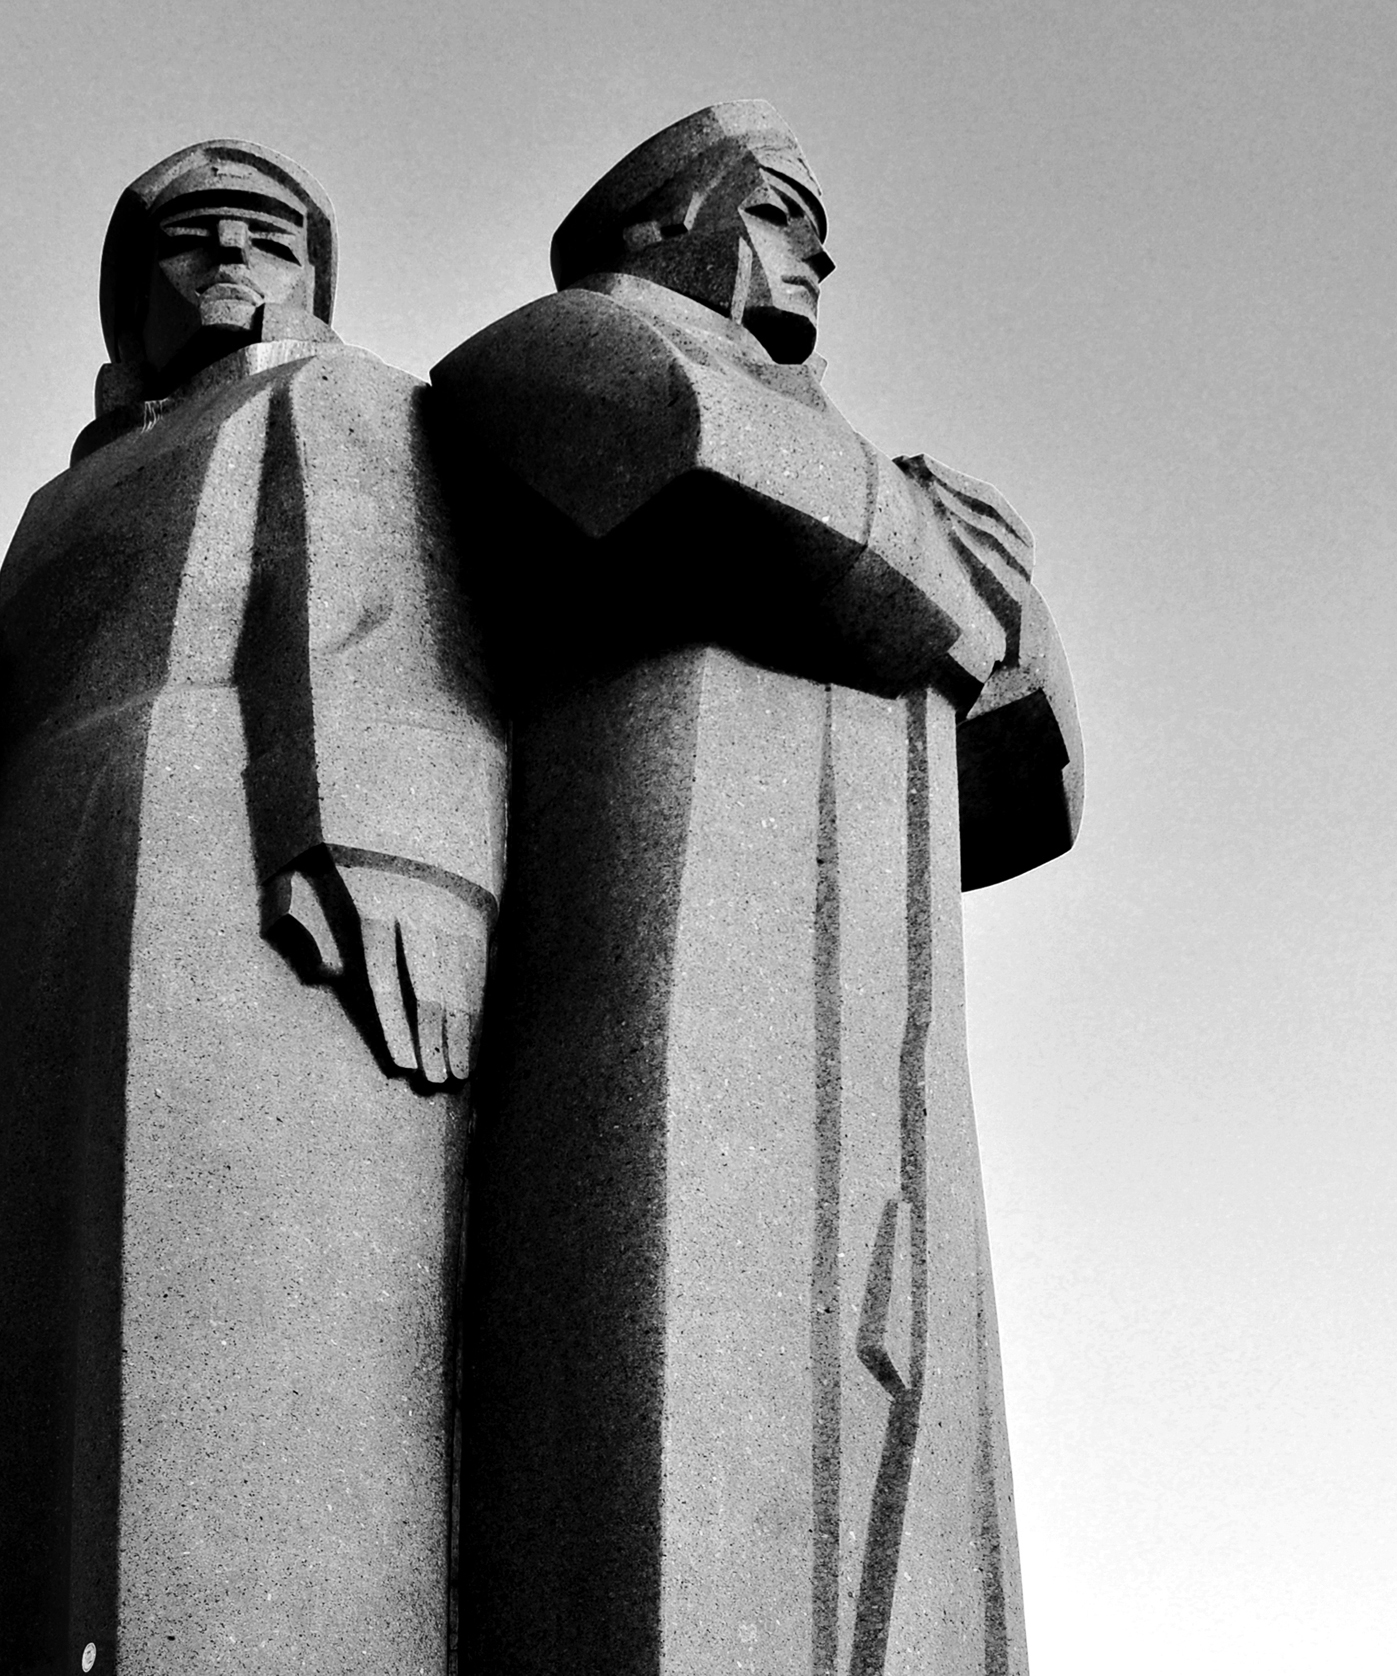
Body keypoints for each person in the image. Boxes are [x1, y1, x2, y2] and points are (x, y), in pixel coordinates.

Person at [432, 101, 1080, 1675]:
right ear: (666, 220)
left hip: (880, 955)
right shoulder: (554, 348)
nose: (818, 256)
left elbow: (1030, 795)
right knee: (688, 1317)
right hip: (670, 886)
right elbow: (698, 473)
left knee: (902, 1365)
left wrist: (1012, 611)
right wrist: (943, 562)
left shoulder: (848, 453)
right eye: (783, 210)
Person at [0, 139, 504, 1676]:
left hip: (256, 862)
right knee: (37, 1342)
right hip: (58, 895)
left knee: (237, 1304)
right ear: (126, 293)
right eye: (189, 236)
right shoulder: (56, 503)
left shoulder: (337, 399)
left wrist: (409, 859)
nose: (229, 255)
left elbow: (383, 619)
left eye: (266, 234)